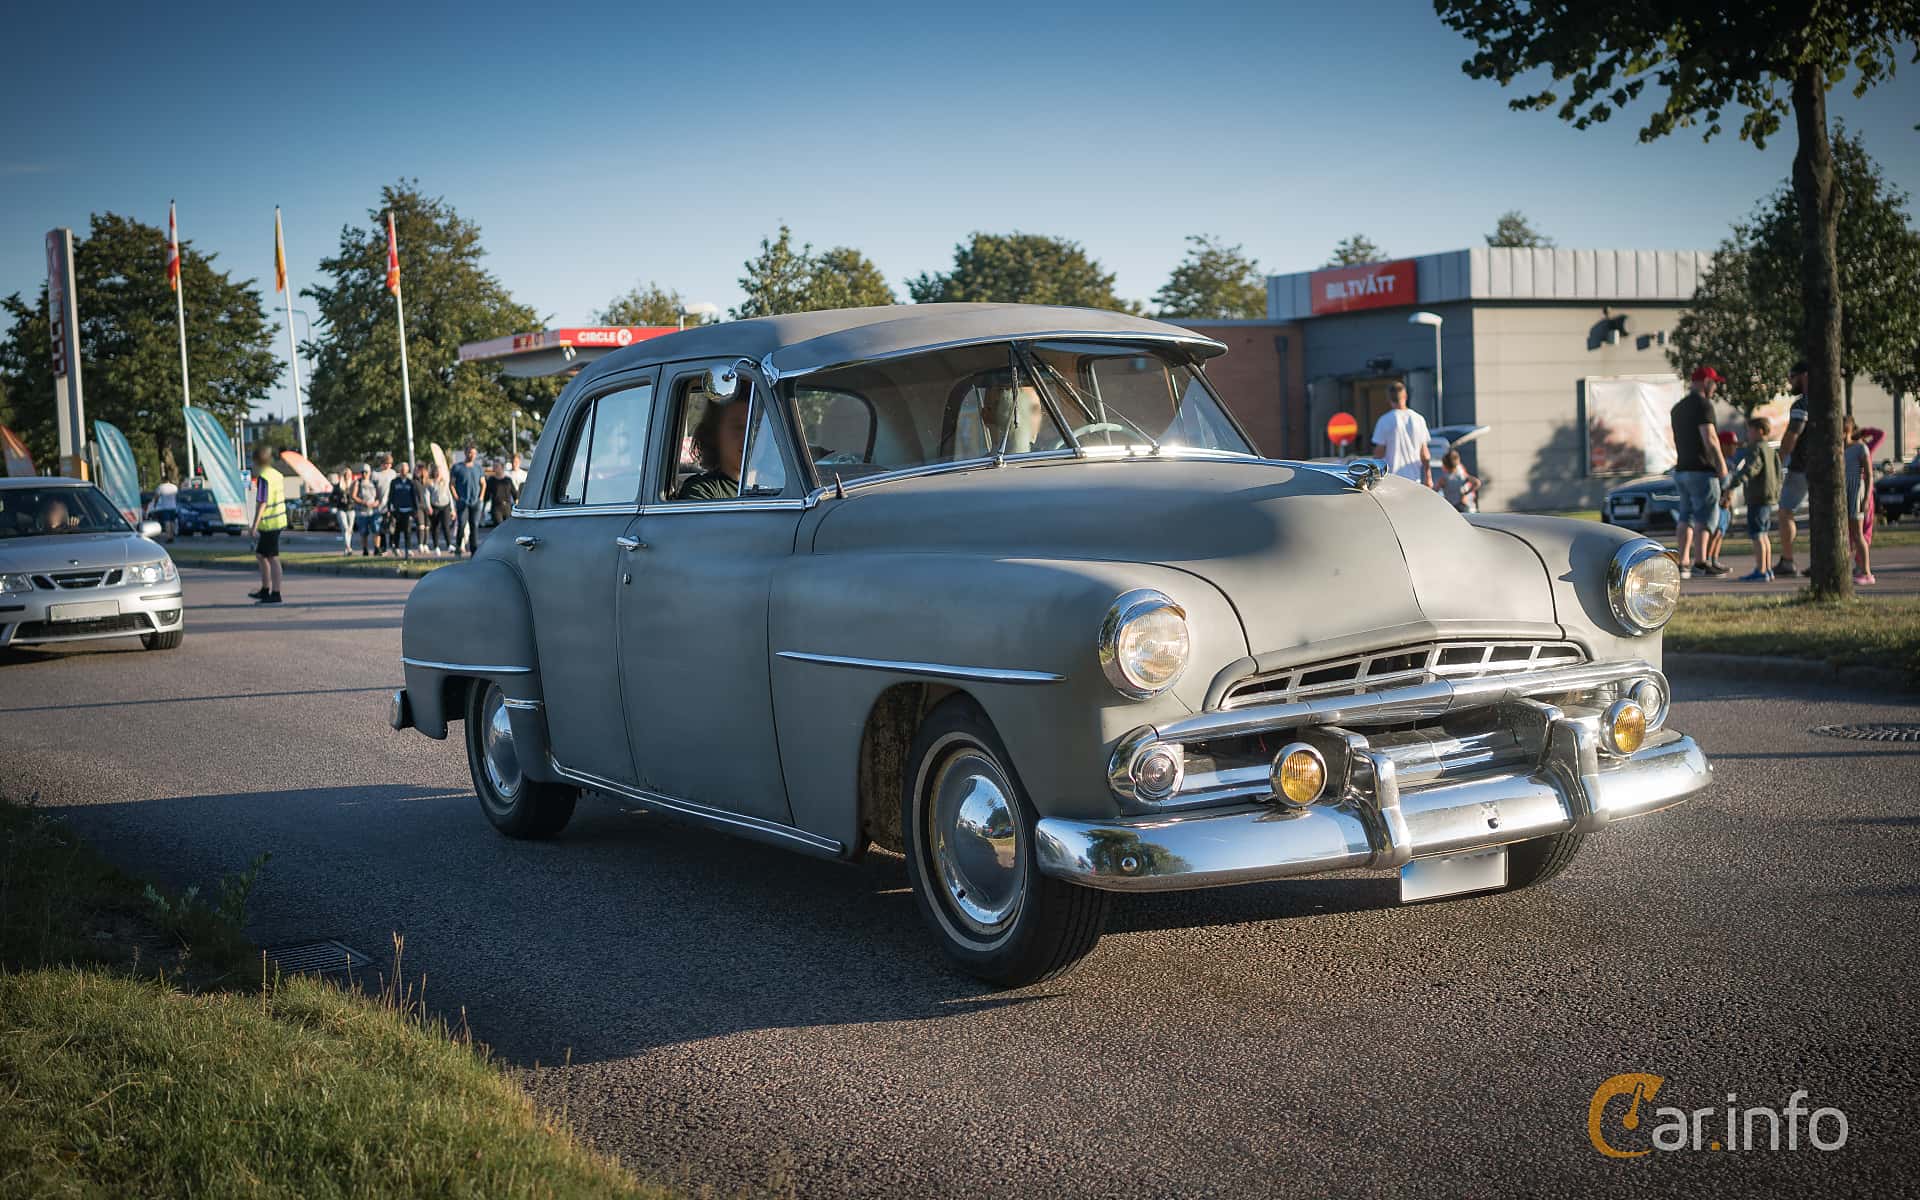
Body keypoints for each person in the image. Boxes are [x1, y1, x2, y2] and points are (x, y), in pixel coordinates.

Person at [1670, 366, 1730, 579]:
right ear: (1705, 382)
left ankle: (1683, 562)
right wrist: (1723, 469)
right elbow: (1711, 439)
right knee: (1705, 516)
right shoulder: (1704, 406)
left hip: (1682, 469)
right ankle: (1701, 561)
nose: (1715, 387)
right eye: (1714, 383)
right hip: (1702, 471)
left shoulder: (1677, 408)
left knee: (1685, 515)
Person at [1722, 416, 1782, 581]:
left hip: (1758, 496)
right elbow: (1778, 472)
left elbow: (1751, 468)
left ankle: (1761, 570)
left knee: (1757, 534)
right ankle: (1767, 569)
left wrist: (1733, 483)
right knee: (1763, 534)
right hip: (1769, 496)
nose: (1748, 434)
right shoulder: (1770, 450)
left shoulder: (1755, 448)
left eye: (1750, 430)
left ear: (1760, 431)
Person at [1773, 362, 1810, 576]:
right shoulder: (1827, 400)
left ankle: (1788, 561)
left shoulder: (1801, 404)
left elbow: (1792, 435)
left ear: (1804, 376)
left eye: (1792, 377)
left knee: (1786, 510)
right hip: (1826, 467)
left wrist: (1779, 460)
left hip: (1801, 466)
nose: (1790, 382)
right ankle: (1822, 561)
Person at [677, 400, 750, 500]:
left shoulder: (777, 485)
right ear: (714, 435)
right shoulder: (702, 491)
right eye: (739, 427)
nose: (750, 436)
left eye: (758, 424)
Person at [1368, 381, 1433, 487]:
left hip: (1392, 481)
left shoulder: (1384, 421)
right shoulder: (1419, 419)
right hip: (1414, 481)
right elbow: (1425, 454)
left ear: (1388, 399)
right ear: (1405, 396)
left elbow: (1379, 454)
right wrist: (1428, 477)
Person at [248, 446, 287, 604]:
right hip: (278, 520)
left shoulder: (264, 477)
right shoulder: (277, 475)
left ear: (257, 461)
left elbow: (262, 502)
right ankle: (266, 589)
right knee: (262, 555)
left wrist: (254, 525)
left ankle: (275, 592)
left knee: (271, 557)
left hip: (270, 522)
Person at [1844, 416, 1876, 585]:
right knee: (1846, 535)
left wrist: (1866, 499)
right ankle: (1845, 570)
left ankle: (1867, 572)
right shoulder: (1838, 449)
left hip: (1856, 490)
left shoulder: (1860, 448)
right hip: (1843, 492)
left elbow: (1869, 475)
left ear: (1846, 431)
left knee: (1858, 534)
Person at [450, 443, 484, 556]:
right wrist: (457, 498)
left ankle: (474, 551)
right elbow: (452, 485)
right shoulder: (457, 467)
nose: (472, 455)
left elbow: (483, 484)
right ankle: (458, 548)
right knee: (462, 525)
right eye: (470, 453)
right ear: (465, 453)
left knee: (474, 526)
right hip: (463, 502)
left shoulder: (478, 468)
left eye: (474, 453)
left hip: (475, 502)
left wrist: (481, 498)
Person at [385, 461, 419, 560]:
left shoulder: (410, 482)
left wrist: (415, 509)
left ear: (408, 470)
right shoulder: (394, 482)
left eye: (405, 469)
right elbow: (390, 495)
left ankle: (408, 548)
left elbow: (414, 496)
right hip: (397, 509)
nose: (403, 471)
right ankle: (396, 547)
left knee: (407, 530)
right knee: (397, 530)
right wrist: (389, 508)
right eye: (402, 469)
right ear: (400, 470)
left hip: (408, 509)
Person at [369, 453, 398, 556]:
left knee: (392, 527)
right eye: (387, 463)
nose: (389, 466)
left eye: (390, 464)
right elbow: (371, 489)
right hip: (379, 505)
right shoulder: (375, 474)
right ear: (382, 463)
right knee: (380, 528)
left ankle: (394, 545)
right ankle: (382, 548)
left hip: (390, 505)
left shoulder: (393, 473)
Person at [425, 461, 454, 555]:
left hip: (445, 506)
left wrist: (453, 509)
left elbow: (449, 495)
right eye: (436, 471)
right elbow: (427, 495)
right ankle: (436, 546)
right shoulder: (430, 483)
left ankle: (449, 544)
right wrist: (428, 506)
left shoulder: (445, 482)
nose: (438, 473)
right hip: (434, 507)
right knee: (435, 527)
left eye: (440, 471)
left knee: (446, 526)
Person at [351, 462, 380, 556]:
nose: (364, 474)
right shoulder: (358, 482)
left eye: (366, 472)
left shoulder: (373, 482)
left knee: (376, 530)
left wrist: (376, 502)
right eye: (362, 472)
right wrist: (364, 503)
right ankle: (365, 549)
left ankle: (376, 548)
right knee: (364, 532)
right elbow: (354, 496)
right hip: (362, 511)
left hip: (373, 510)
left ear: (369, 472)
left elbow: (379, 495)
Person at [482, 460, 518, 527]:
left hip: (507, 507)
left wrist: (517, 504)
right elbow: (487, 495)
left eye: (496, 466)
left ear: (502, 467)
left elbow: (514, 494)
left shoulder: (508, 480)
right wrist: (483, 509)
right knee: (499, 526)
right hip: (496, 507)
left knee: (508, 527)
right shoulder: (491, 480)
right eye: (494, 466)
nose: (494, 468)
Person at [330, 471, 354, 555]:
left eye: (349, 475)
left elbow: (357, 495)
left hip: (351, 509)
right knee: (345, 528)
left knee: (350, 529)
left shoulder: (353, 484)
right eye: (345, 475)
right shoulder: (338, 486)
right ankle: (348, 547)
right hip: (341, 509)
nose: (347, 476)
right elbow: (332, 498)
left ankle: (347, 548)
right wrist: (338, 499)